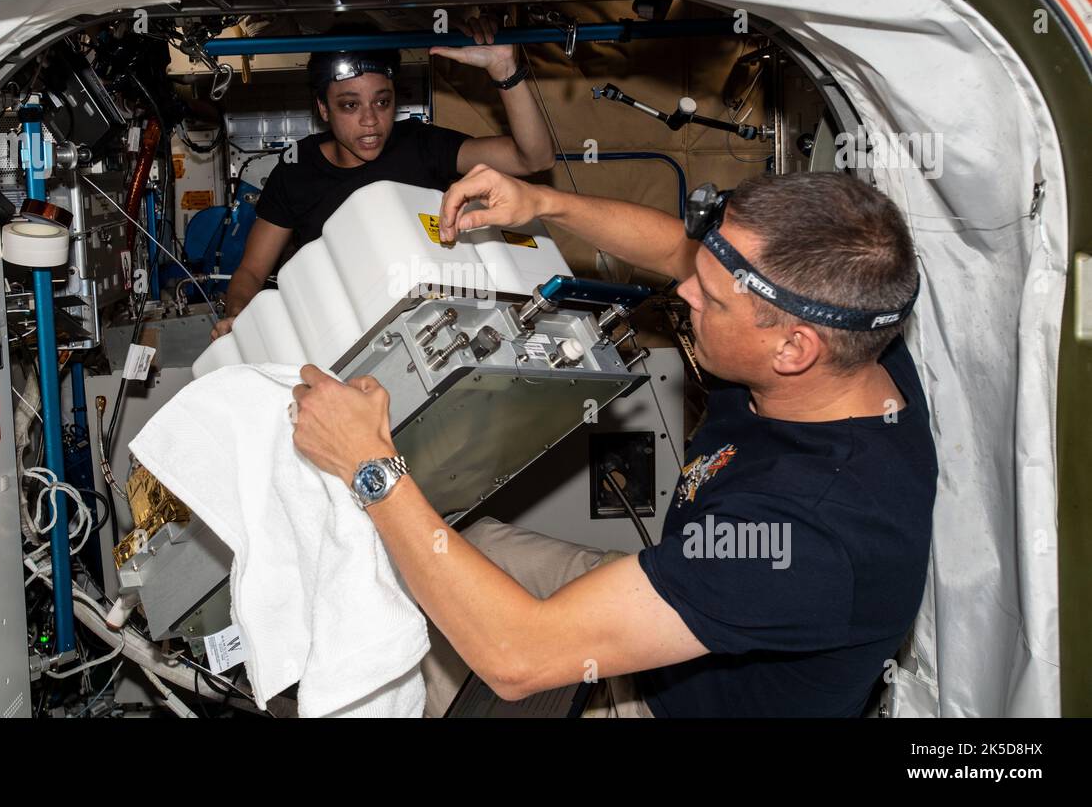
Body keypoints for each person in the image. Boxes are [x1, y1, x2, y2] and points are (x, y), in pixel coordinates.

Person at [288, 167, 937, 717]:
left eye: (710, 300)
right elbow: (680, 254)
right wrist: (545, 202)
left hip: (671, 707)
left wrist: (371, 467)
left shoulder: (808, 533)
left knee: (484, 627)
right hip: (690, 595)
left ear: (794, 348)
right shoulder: (848, 341)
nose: (683, 293)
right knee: (461, 552)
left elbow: (521, 659)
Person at [210, 16, 555, 338]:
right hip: (335, 335)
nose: (370, 120)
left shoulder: (421, 145)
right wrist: (237, 317)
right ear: (323, 108)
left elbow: (533, 158)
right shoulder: (297, 169)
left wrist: (504, 69)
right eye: (349, 105)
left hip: (429, 328)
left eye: (382, 102)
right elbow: (251, 272)